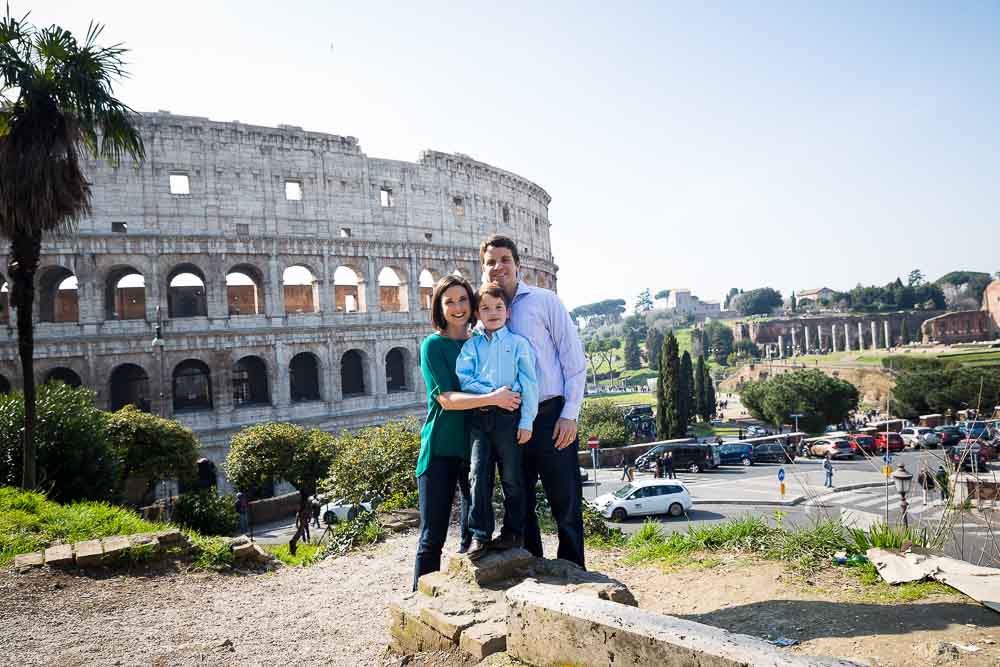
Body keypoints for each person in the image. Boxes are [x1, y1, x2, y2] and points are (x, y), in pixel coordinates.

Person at [481, 235, 588, 568]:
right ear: (483, 268)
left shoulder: (545, 301)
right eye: (490, 262)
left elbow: (574, 361)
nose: (498, 267)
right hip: (509, 418)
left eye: (504, 259)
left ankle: (574, 571)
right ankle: (532, 571)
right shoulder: (481, 311)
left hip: (550, 414)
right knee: (519, 500)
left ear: (517, 264)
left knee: (565, 500)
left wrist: (569, 415)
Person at [412, 275, 522, 591]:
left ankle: (463, 597)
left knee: (471, 538)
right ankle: (420, 601)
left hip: (476, 447)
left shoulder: (480, 341)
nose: (458, 308)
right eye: (450, 301)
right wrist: (493, 398)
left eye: (463, 300)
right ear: (439, 307)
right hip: (441, 449)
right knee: (432, 536)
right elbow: (445, 399)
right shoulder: (433, 345)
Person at [456, 282, 539, 558]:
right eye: (486, 308)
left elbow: (529, 384)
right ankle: (480, 534)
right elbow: (464, 378)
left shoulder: (518, 344)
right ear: (477, 313)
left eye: (499, 307)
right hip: (480, 419)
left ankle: (514, 532)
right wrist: (492, 395)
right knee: (478, 476)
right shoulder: (472, 345)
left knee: (513, 478)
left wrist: (527, 421)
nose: (493, 312)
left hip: (509, 418)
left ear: (508, 312)